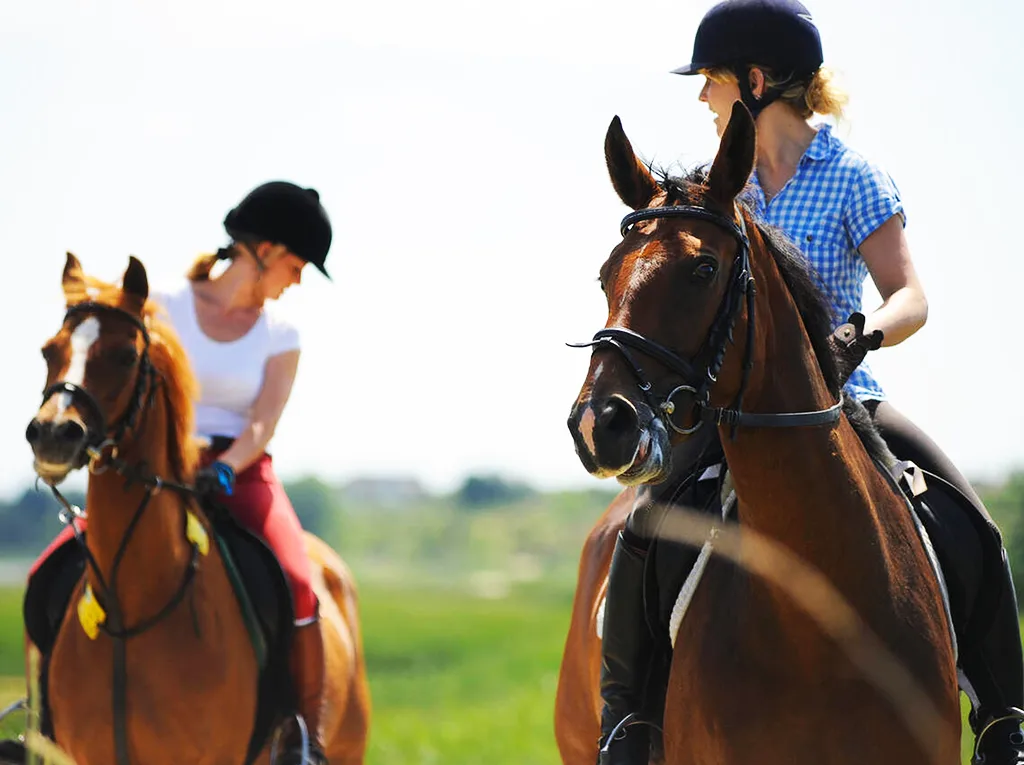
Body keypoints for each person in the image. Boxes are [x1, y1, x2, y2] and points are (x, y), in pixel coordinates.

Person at [594, 2, 1024, 764]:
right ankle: (628, 722)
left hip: (846, 399)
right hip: (729, 414)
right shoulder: (718, 191)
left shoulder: (853, 177)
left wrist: (863, 333)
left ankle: (1001, 720)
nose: (701, 99)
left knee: (972, 524)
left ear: (755, 82)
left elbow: (910, 295)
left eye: (712, 82)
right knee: (642, 527)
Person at [27, 180, 335, 765]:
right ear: (264, 250)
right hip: (151, 468)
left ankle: (301, 740)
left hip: (238, 472)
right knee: (50, 574)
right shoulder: (161, 304)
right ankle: (43, 729)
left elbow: (263, 422)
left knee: (298, 583)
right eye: (296, 265)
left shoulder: (282, 334)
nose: (296, 281)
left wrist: (224, 468)